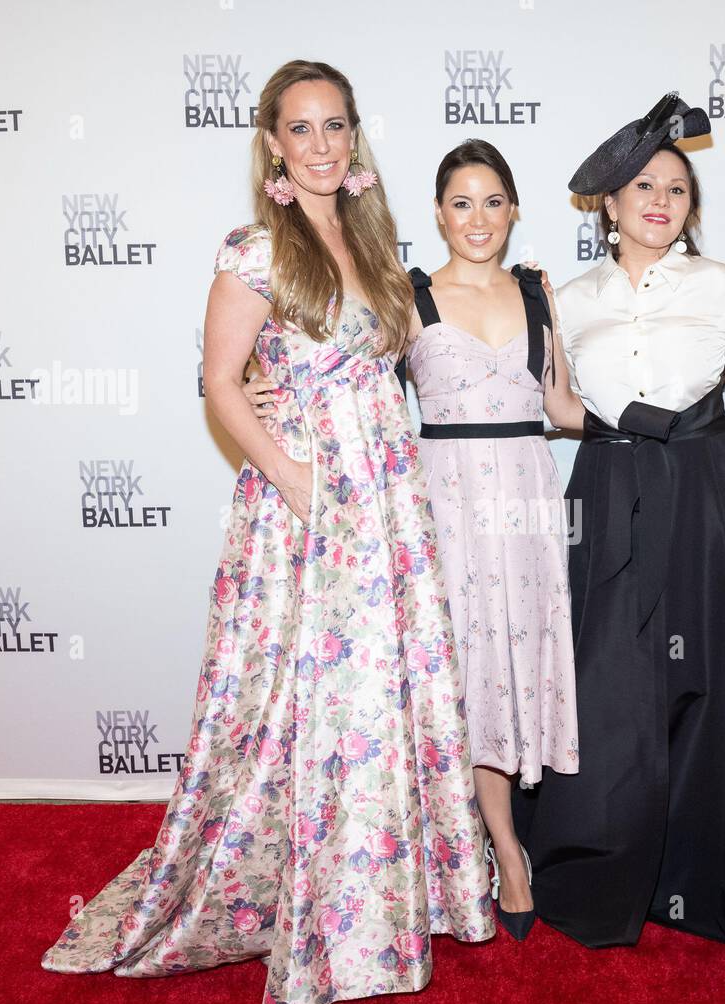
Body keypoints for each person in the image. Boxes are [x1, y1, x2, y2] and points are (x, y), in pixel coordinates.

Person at [41, 60, 494, 1004]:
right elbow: (218, 381)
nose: (323, 145)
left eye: (337, 126)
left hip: (385, 495)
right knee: (301, 696)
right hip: (308, 502)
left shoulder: (373, 240)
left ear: (353, 137)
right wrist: (292, 478)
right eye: (303, 129)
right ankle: (309, 905)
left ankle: (376, 900)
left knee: (377, 692)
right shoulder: (255, 249)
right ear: (274, 146)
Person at [246, 139, 584, 942]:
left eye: (493, 202)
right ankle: (493, 846)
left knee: (510, 670)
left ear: (513, 211)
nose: (478, 219)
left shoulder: (540, 291)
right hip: (443, 499)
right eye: (461, 203)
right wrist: (259, 385)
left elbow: (564, 405)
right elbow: (339, 364)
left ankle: (494, 840)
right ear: (438, 214)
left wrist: (659, 433)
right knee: (454, 672)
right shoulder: (406, 292)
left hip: (528, 500)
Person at [511, 93, 725, 968]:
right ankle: (601, 869)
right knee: (608, 683)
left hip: (700, 484)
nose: (660, 200)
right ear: (610, 204)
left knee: (704, 677)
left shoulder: (724, 286)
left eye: (676, 187)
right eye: (643, 186)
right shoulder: (572, 295)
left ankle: (705, 874)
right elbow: (557, 408)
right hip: (607, 481)